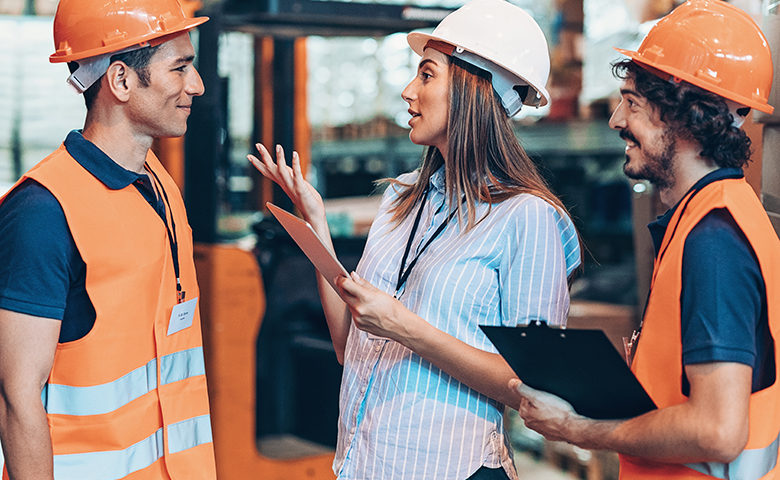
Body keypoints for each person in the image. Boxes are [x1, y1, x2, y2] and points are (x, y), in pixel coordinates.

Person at [248, 0, 581, 478]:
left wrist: (405, 326)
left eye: (426, 75)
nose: (408, 91)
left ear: (476, 89)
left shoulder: (527, 219)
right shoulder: (403, 197)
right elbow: (348, 346)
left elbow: (537, 386)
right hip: (362, 464)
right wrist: (315, 221)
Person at [508, 1, 779, 478]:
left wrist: (578, 427)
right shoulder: (713, 216)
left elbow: (717, 432)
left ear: (685, 115)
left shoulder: (714, 239)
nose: (615, 120)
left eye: (631, 103)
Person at [0, 0, 216, 478]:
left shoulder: (157, 181)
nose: (196, 86)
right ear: (120, 80)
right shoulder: (43, 212)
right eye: (180, 68)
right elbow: (17, 396)